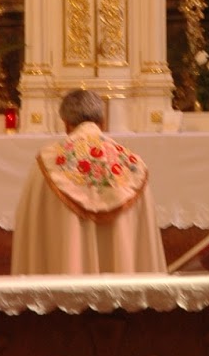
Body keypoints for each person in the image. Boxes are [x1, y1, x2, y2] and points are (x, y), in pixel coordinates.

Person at [11, 88, 166, 275]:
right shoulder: (132, 164)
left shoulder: (48, 161)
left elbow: (32, 224)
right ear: (103, 121)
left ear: (66, 124)